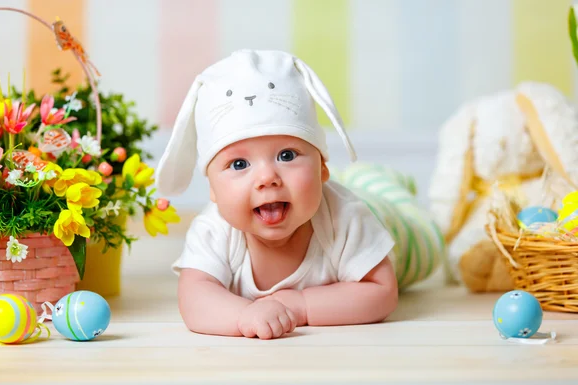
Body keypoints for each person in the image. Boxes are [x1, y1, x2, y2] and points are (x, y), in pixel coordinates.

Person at [155, 49, 442, 339]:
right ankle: (355, 177)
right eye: (239, 164)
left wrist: (301, 305)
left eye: (287, 155)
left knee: (428, 237)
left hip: (391, 223)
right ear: (212, 190)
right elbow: (194, 296)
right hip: (320, 190)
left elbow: (382, 292)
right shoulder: (213, 230)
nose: (267, 178)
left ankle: (384, 181)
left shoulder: (347, 217)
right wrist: (244, 316)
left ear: (321, 167)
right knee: (345, 184)